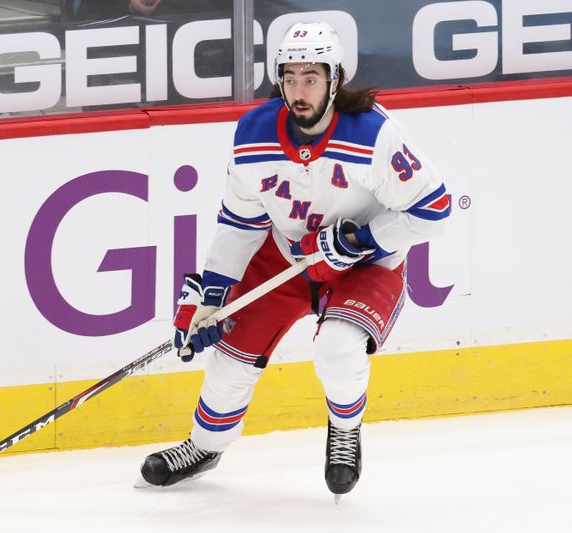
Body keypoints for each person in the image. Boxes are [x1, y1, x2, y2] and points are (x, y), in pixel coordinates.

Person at [138, 22, 450, 498]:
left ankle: (344, 431)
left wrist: (361, 239)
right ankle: (204, 446)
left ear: (335, 78)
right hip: (285, 256)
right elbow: (240, 222)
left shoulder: (375, 134)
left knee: (339, 349)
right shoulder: (253, 132)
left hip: (363, 265)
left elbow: (433, 209)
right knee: (229, 363)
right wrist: (213, 294)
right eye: (289, 77)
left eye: (310, 77)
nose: (298, 90)